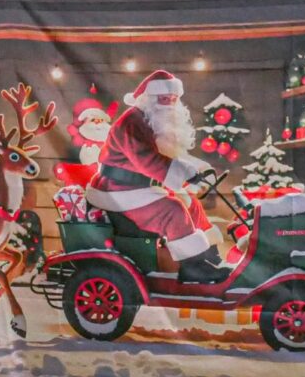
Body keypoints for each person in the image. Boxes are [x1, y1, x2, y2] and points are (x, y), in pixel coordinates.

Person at [85, 70, 229, 283]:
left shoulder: (153, 121)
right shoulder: (132, 122)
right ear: (148, 98)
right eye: (163, 99)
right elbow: (148, 160)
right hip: (118, 190)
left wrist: (194, 170)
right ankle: (192, 268)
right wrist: (186, 172)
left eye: (173, 99)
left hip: (142, 187)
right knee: (173, 210)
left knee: (191, 204)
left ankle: (208, 256)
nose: (169, 104)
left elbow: (169, 156)